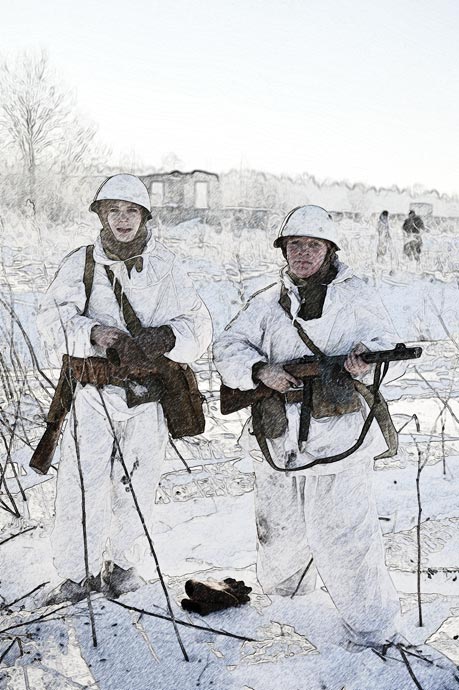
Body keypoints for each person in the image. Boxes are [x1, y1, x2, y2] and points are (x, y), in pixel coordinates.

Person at [213, 205, 403, 650]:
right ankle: (290, 617)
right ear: (283, 250)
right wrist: (260, 370)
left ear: (329, 249)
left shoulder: (356, 297)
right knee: (278, 533)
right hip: (278, 438)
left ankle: (373, 632)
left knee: (347, 540)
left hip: (338, 437)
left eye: (312, 245)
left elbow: (384, 344)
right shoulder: (264, 303)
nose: (302, 253)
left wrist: (361, 362)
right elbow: (227, 347)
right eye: (294, 244)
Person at [38, 173, 212, 602]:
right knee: (83, 483)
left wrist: (167, 337)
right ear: (100, 215)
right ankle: (77, 576)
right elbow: (50, 319)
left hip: (148, 396)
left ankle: (124, 567)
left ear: (144, 216)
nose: (122, 219)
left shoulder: (166, 265)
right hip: (94, 392)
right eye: (113, 210)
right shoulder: (80, 263)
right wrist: (95, 332)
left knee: (139, 482)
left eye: (131, 211)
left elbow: (199, 324)